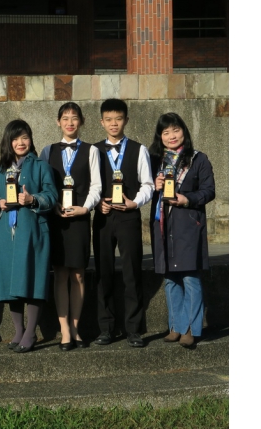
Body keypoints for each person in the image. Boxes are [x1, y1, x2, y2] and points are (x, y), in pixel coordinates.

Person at [0, 120, 58, 353]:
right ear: (8, 141)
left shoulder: (41, 166)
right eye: (15, 138)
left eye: (24, 137)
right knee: (10, 282)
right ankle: (18, 329)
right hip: (7, 233)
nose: (20, 142)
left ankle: (31, 331)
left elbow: (52, 195)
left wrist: (32, 200)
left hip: (33, 230)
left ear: (31, 139)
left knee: (33, 279)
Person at [38, 103, 102, 351]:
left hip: (79, 219)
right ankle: (64, 329)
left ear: (81, 121)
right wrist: (52, 205)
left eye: (74, 118)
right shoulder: (47, 150)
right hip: (56, 220)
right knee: (60, 274)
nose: (70, 122)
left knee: (78, 275)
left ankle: (75, 327)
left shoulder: (91, 151)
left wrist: (85, 208)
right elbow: (44, 185)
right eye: (65, 118)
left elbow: (96, 185)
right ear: (58, 122)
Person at [148, 113, 215, 349]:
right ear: (160, 137)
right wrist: (153, 186)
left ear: (183, 132)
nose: (171, 136)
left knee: (190, 277)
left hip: (188, 224)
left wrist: (187, 199)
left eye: (175, 130)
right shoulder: (156, 160)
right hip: (163, 225)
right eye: (165, 132)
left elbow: (208, 191)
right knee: (170, 279)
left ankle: (191, 329)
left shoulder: (198, 159)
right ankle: (175, 326)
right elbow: (145, 190)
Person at [92, 98, 154, 348]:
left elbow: (148, 184)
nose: (114, 123)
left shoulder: (139, 149)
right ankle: (105, 328)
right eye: (109, 119)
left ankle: (133, 329)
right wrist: (97, 203)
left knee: (131, 272)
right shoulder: (93, 150)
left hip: (128, 217)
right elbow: (90, 187)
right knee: (103, 272)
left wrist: (134, 203)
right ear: (101, 122)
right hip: (104, 218)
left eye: (118, 118)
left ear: (126, 120)